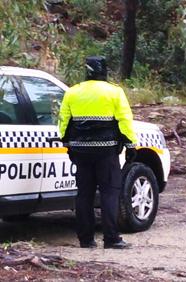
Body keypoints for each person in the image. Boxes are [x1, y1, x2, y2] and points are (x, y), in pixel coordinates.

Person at [58, 56, 137, 249]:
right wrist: (131, 145)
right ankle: (111, 239)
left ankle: (86, 240)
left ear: (86, 71)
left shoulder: (72, 92)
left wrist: (67, 143)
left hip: (80, 152)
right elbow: (125, 121)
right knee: (110, 193)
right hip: (106, 151)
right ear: (104, 71)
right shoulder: (114, 92)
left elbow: (63, 121)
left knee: (84, 194)